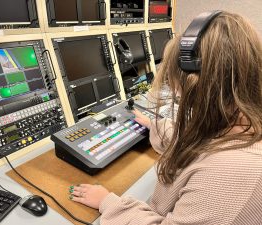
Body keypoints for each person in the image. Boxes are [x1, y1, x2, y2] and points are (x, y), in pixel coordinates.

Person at [68, 11, 262, 224]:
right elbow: (204, 144)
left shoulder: (230, 173)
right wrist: (155, 125)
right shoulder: (240, 122)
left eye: (176, 87)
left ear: (198, 86)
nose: (176, 95)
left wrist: (109, 203)